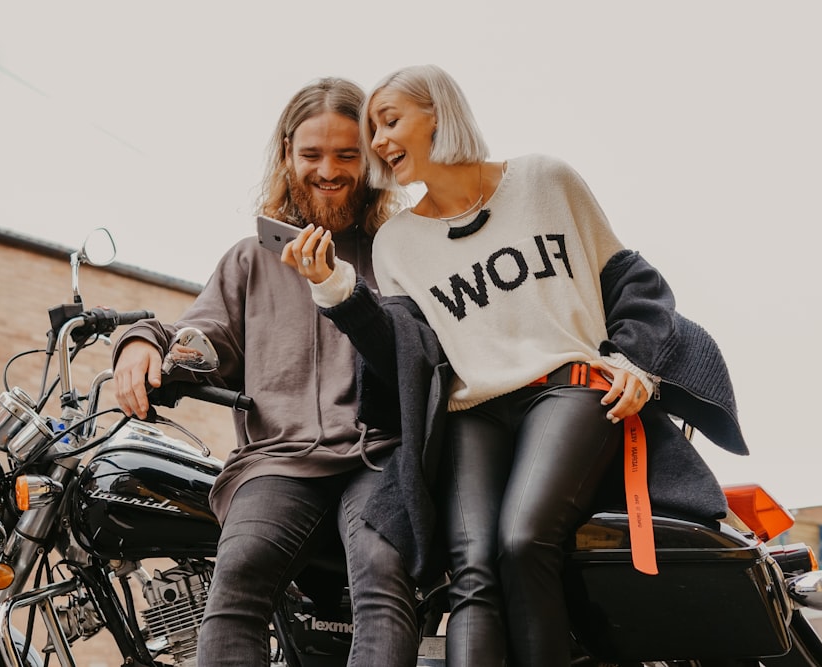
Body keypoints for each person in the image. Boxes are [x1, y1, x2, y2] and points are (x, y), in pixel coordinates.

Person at [284, 64, 748, 666]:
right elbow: (406, 351)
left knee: (523, 540)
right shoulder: (395, 243)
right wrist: (338, 289)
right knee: (470, 570)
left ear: (440, 114)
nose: (378, 142)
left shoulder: (544, 181)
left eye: (390, 121)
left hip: (572, 387)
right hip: (472, 410)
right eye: (373, 129)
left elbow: (632, 281)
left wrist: (633, 361)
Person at [111, 77, 420, 667]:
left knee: (382, 577)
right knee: (238, 576)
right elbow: (203, 336)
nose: (328, 169)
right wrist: (141, 342)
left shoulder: (400, 250)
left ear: (372, 160)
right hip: (279, 458)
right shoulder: (250, 259)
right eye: (312, 155)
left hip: (380, 452)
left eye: (346, 154)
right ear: (287, 156)